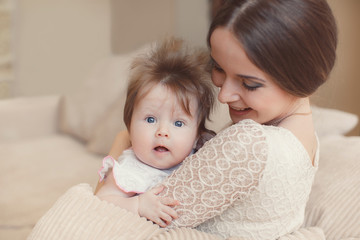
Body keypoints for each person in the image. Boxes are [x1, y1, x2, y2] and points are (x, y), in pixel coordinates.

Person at [96, 0, 337, 239]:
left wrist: (121, 141)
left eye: (249, 84)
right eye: (218, 67)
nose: (223, 95)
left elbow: (125, 217)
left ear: (304, 78)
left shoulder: (250, 142)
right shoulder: (305, 137)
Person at [94, 37, 216, 228]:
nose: (162, 132)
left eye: (178, 123)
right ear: (130, 128)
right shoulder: (130, 169)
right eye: (151, 119)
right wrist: (136, 204)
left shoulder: (197, 162)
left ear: (197, 138)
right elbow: (101, 200)